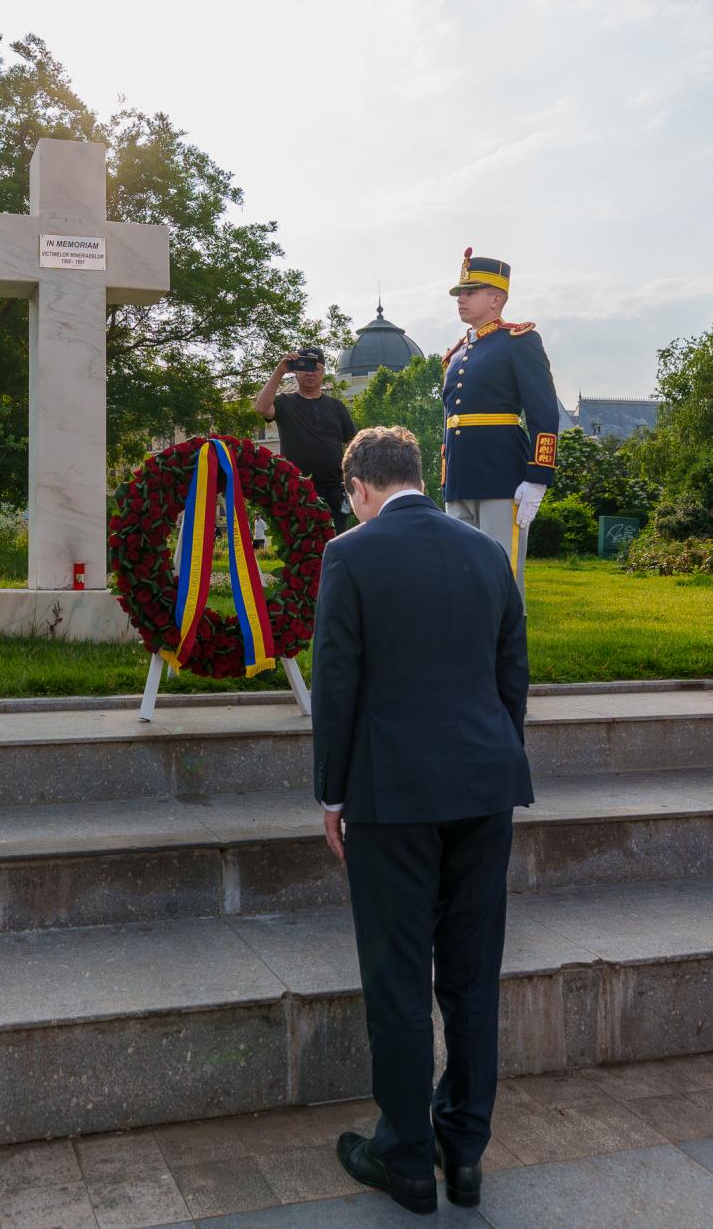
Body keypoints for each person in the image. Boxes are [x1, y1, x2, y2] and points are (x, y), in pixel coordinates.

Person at [311, 425, 532, 1216]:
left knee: (399, 975)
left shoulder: (351, 553)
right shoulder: (487, 553)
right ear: (415, 476)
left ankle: (404, 1156)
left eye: (350, 497)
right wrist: (495, 761)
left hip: (390, 795)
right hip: (483, 786)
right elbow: (514, 674)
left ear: (361, 486)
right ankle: (464, 1149)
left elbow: (337, 684)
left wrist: (330, 796)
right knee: (472, 975)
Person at [442, 248, 559, 596]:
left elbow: (543, 412)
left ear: (496, 298)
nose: (460, 299)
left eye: (470, 292)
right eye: (460, 293)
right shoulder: (457, 353)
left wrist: (538, 476)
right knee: (461, 576)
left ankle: (508, 651)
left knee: (501, 577)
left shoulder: (518, 342)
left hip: (500, 475)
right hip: (460, 478)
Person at [254, 344, 356, 532]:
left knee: (336, 542)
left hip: (334, 489)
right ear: (295, 372)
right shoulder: (284, 402)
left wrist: (351, 480)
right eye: (305, 368)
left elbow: (353, 444)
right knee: (301, 545)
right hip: (297, 488)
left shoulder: (336, 406)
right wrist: (279, 371)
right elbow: (261, 408)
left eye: (316, 368)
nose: (310, 374)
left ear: (323, 372)